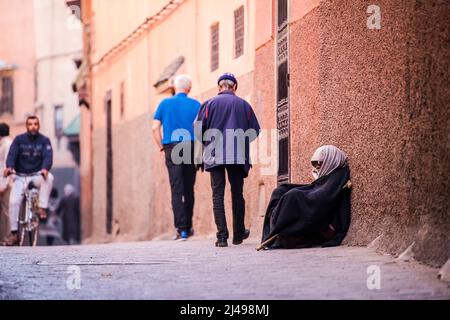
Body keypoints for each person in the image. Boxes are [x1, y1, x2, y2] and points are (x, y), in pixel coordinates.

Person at [195, 73, 261, 247]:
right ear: (235, 87)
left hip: (214, 152)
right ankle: (238, 234)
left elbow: (198, 130)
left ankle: (221, 237)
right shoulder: (244, 105)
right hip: (237, 154)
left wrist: (208, 142)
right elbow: (255, 130)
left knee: (217, 194)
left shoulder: (208, 104)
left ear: (219, 87)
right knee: (237, 193)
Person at [259, 145, 352, 250]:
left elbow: (324, 198)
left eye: (320, 164)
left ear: (330, 160)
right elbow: (317, 188)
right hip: (314, 200)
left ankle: (282, 230)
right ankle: (276, 228)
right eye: (316, 164)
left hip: (322, 220)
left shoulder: (339, 175)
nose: (317, 168)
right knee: (280, 190)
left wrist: (298, 195)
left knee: (293, 196)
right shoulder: (329, 174)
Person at [152, 74, 201, 241]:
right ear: (188, 88)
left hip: (171, 146)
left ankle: (181, 229)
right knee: (189, 188)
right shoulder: (196, 104)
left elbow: (154, 127)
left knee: (176, 188)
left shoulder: (164, 103)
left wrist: (161, 146)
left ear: (175, 87)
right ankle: (188, 226)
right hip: (191, 146)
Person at [3, 116, 54, 246]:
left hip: (37, 175)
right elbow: (12, 154)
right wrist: (9, 167)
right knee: (13, 202)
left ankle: (42, 207)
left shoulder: (44, 141)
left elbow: (48, 156)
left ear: (39, 125)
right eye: (30, 124)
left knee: (50, 178)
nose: (33, 126)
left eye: (35, 124)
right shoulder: (19, 140)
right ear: (26, 126)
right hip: (20, 176)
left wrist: (45, 169)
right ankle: (14, 233)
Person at [0, 123, 13, 245]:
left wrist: (4, 184)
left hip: (6, 183)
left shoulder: (7, 144)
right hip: (4, 181)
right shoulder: (4, 144)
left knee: (6, 210)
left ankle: (7, 237)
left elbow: (7, 165)